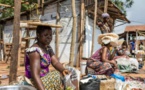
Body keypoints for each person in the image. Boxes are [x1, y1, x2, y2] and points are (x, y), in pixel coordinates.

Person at [25, 25, 78, 90]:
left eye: (50, 35)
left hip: (45, 78)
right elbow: (35, 75)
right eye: (46, 35)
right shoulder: (35, 51)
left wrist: (64, 70)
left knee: (71, 71)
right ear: (38, 35)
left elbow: (55, 62)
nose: (49, 37)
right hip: (35, 81)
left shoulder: (48, 48)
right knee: (57, 75)